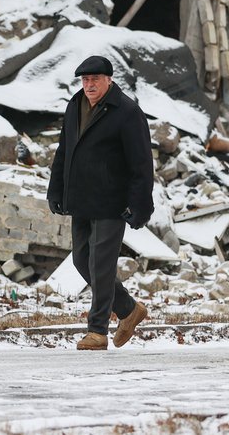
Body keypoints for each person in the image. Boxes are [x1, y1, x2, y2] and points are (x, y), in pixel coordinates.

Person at [47, 55, 154, 350]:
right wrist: (56, 191)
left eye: (95, 79)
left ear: (109, 80)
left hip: (111, 202)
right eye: (85, 80)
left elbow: (142, 163)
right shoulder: (75, 106)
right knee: (82, 260)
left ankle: (97, 331)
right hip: (81, 198)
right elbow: (64, 151)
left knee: (101, 265)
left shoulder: (127, 112)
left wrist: (140, 205)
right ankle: (129, 310)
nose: (89, 85)